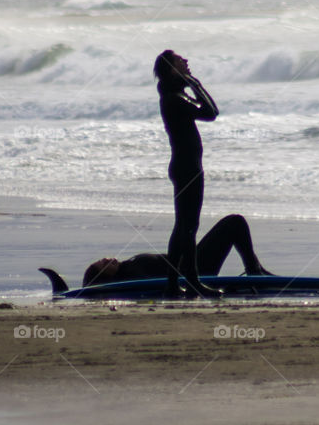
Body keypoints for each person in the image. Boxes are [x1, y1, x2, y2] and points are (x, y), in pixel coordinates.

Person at [154, 49, 222, 299]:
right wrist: (197, 84)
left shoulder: (175, 95)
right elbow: (211, 112)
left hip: (185, 167)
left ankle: (175, 284)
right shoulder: (174, 98)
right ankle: (189, 282)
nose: (186, 61)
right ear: (172, 69)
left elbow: (208, 111)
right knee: (187, 227)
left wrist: (191, 84)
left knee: (185, 226)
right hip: (186, 169)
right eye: (180, 61)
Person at [81, 213, 273, 287]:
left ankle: (254, 270)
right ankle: (254, 273)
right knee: (234, 222)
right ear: (106, 279)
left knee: (235, 222)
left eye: (102, 259)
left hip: (193, 264)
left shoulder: (127, 267)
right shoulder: (130, 275)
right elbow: (154, 283)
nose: (107, 259)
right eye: (104, 265)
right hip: (197, 270)